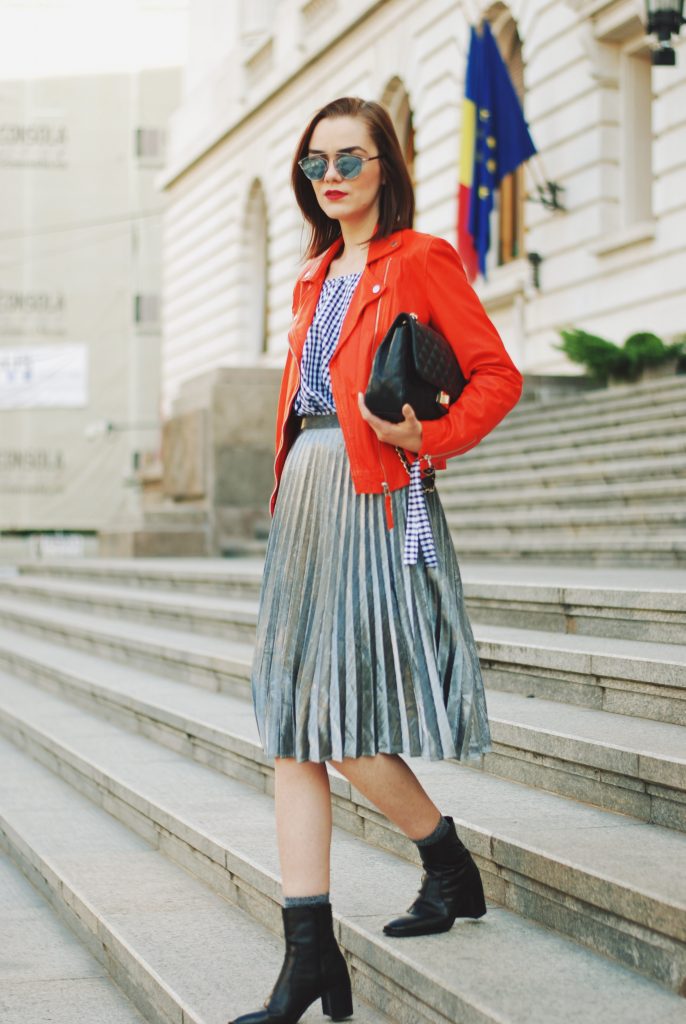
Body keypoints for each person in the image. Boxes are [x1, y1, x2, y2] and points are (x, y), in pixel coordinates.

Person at [229, 96, 523, 1024]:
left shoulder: (421, 259)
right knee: (289, 722)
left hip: (375, 494)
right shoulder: (312, 277)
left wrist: (427, 437)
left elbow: (496, 375)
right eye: (317, 163)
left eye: (351, 159)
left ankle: (445, 860)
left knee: (341, 724)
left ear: (386, 167)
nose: (333, 177)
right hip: (307, 499)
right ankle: (308, 955)